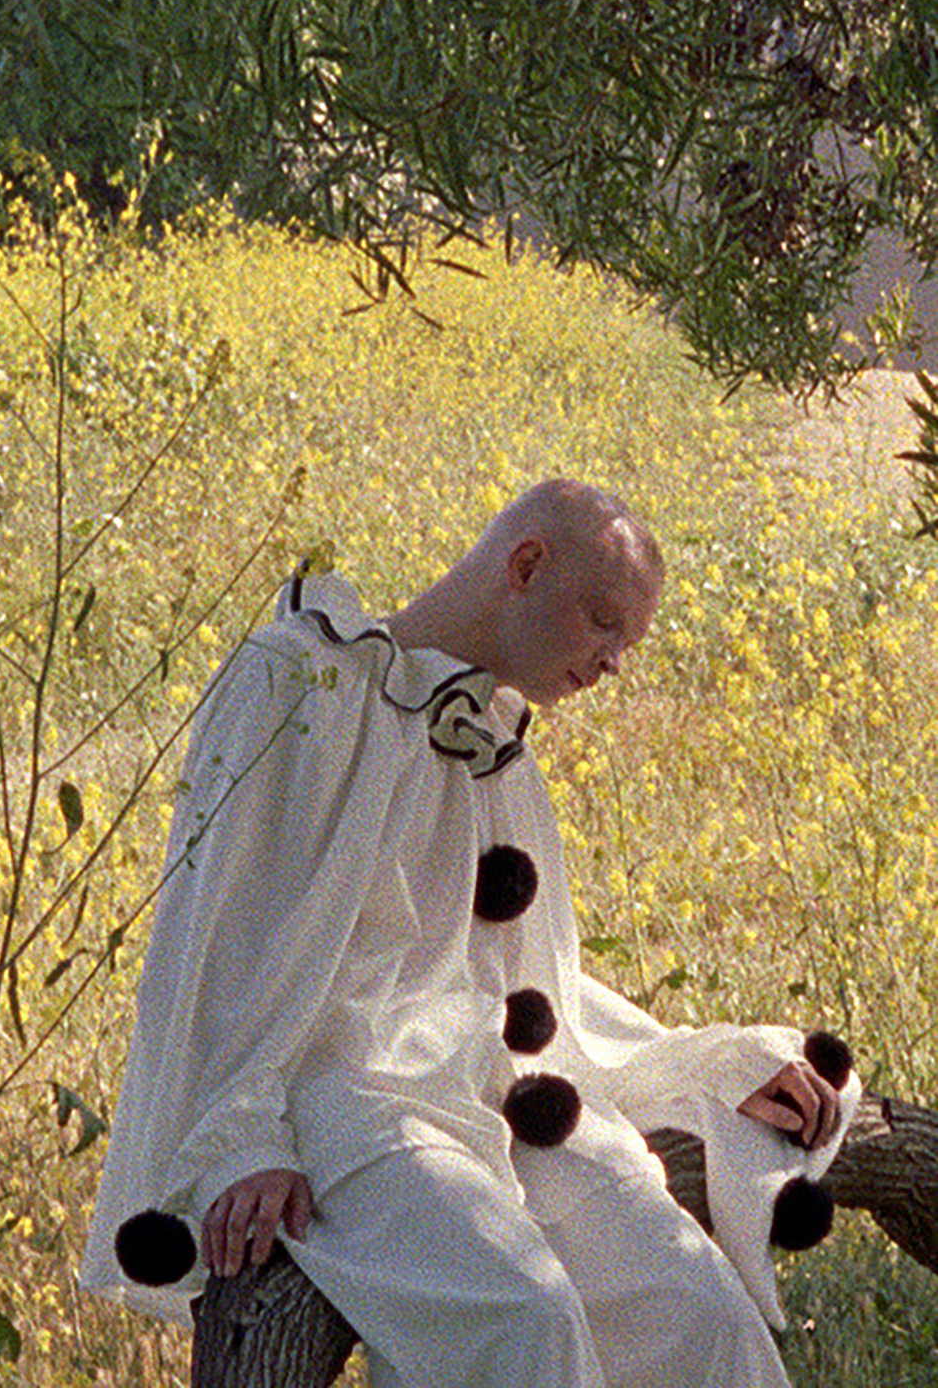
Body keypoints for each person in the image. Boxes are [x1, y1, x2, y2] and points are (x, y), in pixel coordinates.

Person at [81, 480, 856, 1388]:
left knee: (702, 1314)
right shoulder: (301, 679)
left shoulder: (491, 742)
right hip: (343, 1094)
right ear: (526, 565)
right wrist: (242, 1135)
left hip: (494, 1087)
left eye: (627, 643)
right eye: (603, 622)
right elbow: (219, 923)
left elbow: (528, 988)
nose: (612, 663)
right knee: (527, 1324)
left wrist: (717, 1064)